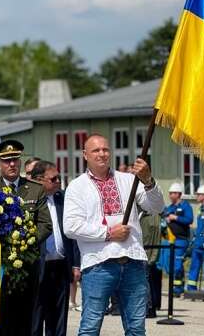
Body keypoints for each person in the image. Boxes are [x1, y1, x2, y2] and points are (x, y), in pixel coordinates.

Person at [63, 134, 164, 336]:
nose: (102, 153)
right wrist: (108, 233)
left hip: (133, 261)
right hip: (98, 263)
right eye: (96, 150)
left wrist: (149, 181)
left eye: (105, 149)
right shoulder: (77, 186)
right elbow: (71, 226)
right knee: (90, 327)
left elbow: (156, 206)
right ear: (85, 155)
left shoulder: (128, 180)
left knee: (136, 328)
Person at [0, 140, 52, 336]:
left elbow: (45, 224)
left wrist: (25, 243)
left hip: (27, 265)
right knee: (3, 323)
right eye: (7, 161)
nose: (12, 164)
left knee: (27, 320)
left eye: (15, 159)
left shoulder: (35, 188)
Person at [30, 161, 80, 336]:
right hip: (38, 267)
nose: (58, 181)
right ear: (38, 180)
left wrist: (75, 265)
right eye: (54, 179)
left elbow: (72, 235)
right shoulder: (29, 201)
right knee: (35, 318)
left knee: (58, 320)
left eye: (59, 177)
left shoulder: (63, 198)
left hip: (61, 266)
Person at [162, 182, 193, 296]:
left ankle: (178, 288)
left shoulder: (185, 206)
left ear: (179, 194)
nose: (171, 195)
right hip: (170, 240)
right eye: (170, 193)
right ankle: (175, 286)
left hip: (181, 239)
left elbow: (189, 220)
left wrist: (176, 217)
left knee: (178, 264)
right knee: (169, 265)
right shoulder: (170, 208)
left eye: (173, 193)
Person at [139, 208, 162, 318]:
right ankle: (146, 307)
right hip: (140, 252)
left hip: (147, 254)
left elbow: (156, 237)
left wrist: (153, 257)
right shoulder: (142, 215)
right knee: (144, 281)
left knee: (145, 281)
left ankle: (149, 308)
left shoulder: (152, 216)